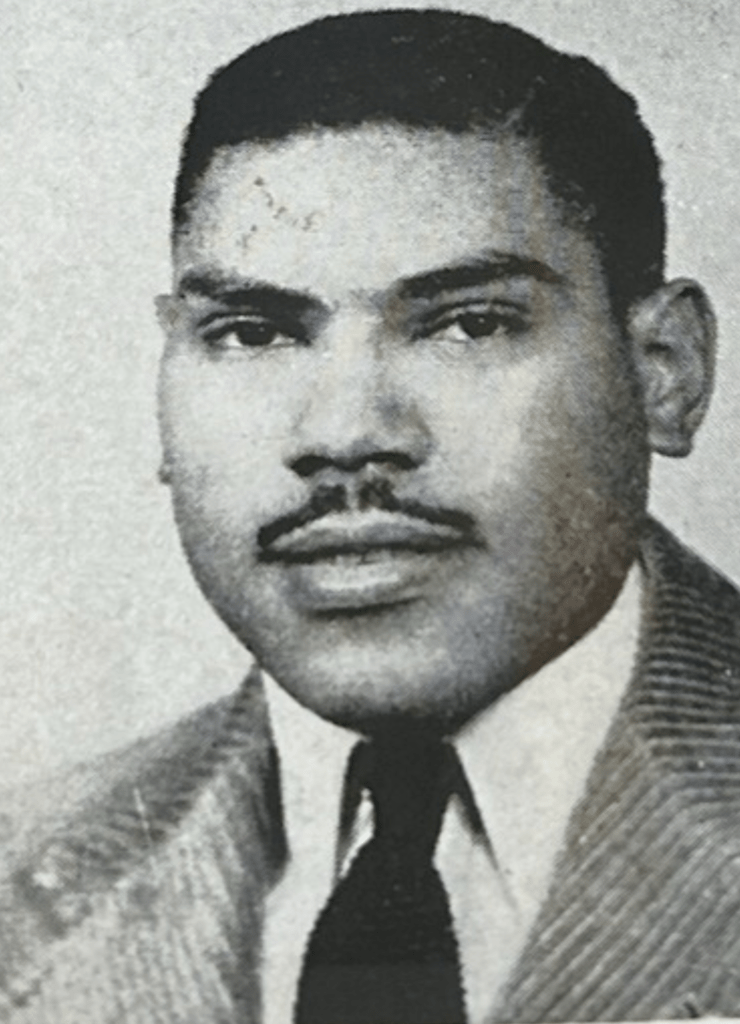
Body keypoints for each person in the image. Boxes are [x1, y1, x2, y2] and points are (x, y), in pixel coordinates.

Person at [0, 7, 737, 1023]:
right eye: (253, 333)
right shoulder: (19, 883)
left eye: (468, 323)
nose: (344, 433)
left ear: (663, 373)